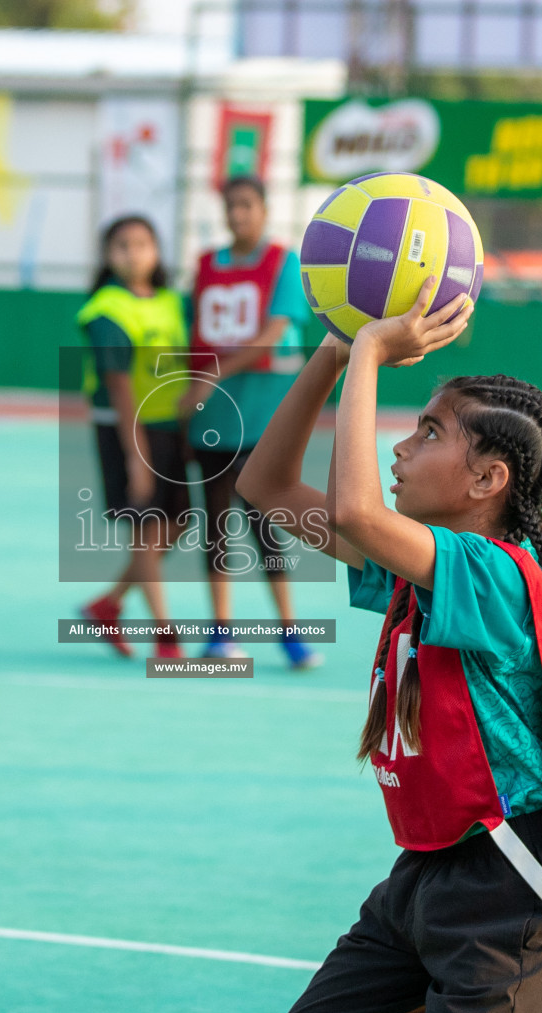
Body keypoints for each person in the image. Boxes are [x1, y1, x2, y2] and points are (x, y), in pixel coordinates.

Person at [238, 279, 542, 1013]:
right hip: (425, 876)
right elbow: (266, 484)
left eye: (430, 432)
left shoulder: (495, 572)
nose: (402, 447)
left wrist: (373, 351)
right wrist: (333, 355)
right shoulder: (416, 570)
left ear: (487, 479)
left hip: (511, 896)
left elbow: (354, 509)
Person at [181, 175, 322, 668]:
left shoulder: (283, 263)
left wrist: (209, 376)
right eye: (230, 206)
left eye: (246, 205)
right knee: (216, 528)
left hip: (262, 417)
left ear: (263, 210)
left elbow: (272, 334)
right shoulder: (204, 267)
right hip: (213, 419)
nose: (237, 214)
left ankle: (289, 632)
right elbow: (188, 331)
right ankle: (221, 633)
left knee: (267, 526)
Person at [76, 215, 190, 660]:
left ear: (157, 251)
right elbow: (121, 390)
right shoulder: (106, 312)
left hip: (167, 428)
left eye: (142, 243)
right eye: (121, 245)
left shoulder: (170, 302)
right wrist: (136, 457)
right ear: (108, 255)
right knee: (146, 530)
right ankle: (166, 635)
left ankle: (109, 604)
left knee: (177, 523)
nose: (133, 253)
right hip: (126, 428)